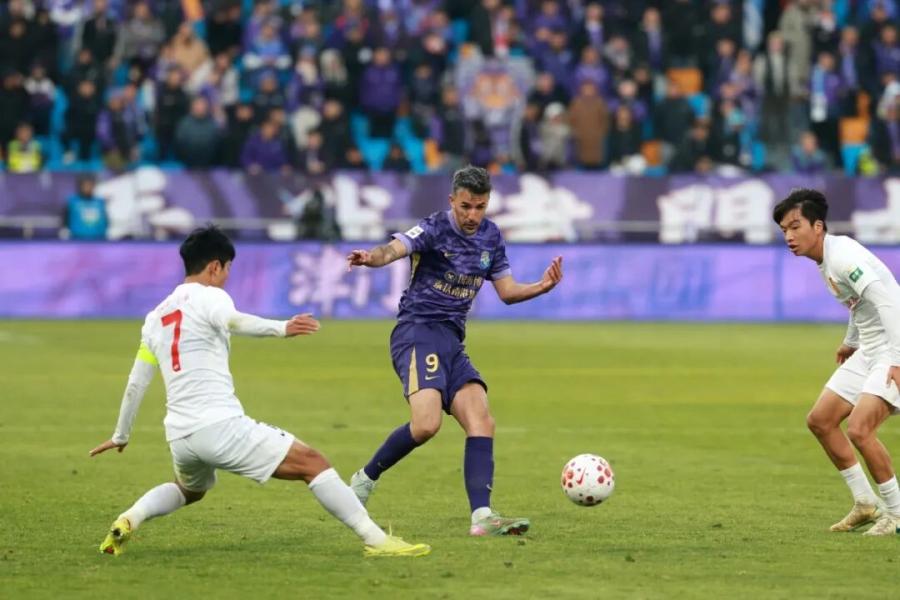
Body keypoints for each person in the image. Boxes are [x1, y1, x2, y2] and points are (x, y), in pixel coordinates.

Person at [89, 226, 430, 557]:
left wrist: (121, 434)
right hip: (218, 425)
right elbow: (233, 320)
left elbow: (137, 381)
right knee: (313, 463)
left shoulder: (155, 317)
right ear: (214, 267)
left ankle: (129, 518)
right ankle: (377, 540)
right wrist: (282, 328)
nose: (227, 277)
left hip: (180, 435)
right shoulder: (210, 296)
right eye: (227, 269)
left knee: (190, 489)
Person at [345, 166, 563, 536]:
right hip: (417, 331)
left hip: (451, 340)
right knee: (426, 424)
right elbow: (394, 249)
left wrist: (541, 286)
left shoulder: (491, 236)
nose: (472, 215)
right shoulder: (433, 228)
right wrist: (371, 257)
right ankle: (364, 480)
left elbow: (507, 292)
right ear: (452, 201)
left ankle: (482, 517)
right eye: (466, 206)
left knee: (482, 420)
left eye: (480, 207)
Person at [774, 189, 900, 536]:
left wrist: (897, 359)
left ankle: (896, 513)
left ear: (818, 226)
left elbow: (889, 301)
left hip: (893, 347)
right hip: (870, 348)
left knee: (860, 429)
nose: (789, 236)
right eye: (784, 230)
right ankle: (865, 502)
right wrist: (851, 342)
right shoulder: (826, 258)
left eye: (795, 227)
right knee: (821, 420)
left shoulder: (842, 257)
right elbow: (858, 304)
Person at [65, 175, 108, 240]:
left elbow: (106, 220)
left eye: (90, 185)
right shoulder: (72, 202)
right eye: (85, 185)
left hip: (99, 238)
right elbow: (65, 220)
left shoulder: (100, 202)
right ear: (80, 186)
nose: (88, 188)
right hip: (77, 238)